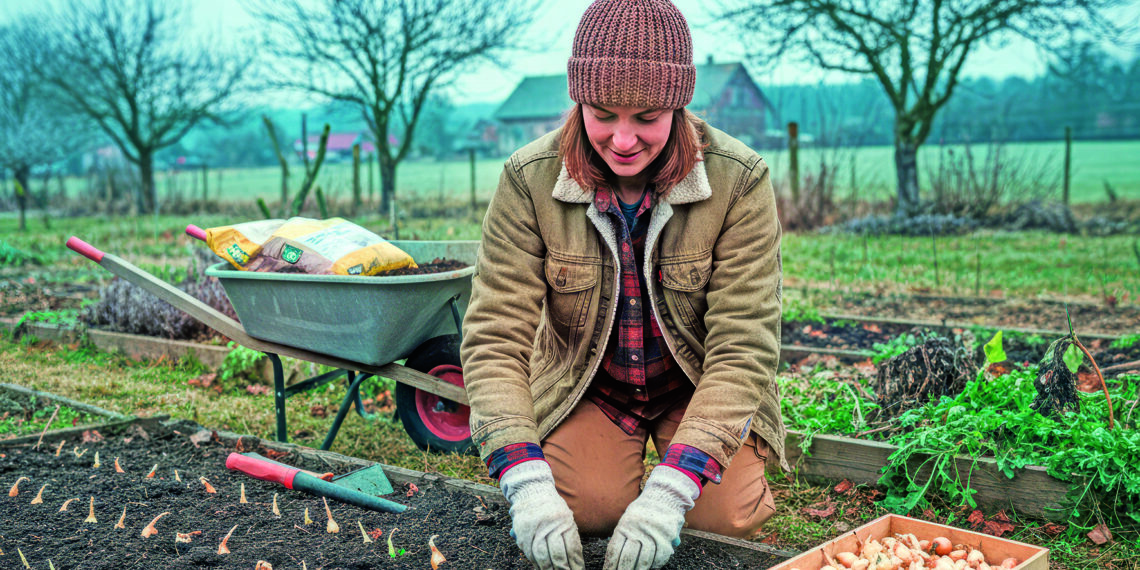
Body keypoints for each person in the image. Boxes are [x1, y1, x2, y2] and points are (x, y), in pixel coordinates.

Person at [460, 1, 787, 568]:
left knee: (724, 521)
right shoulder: (527, 180)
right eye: (603, 113)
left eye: (647, 116)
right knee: (586, 509)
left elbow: (744, 345)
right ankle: (608, 472)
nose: (624, 138)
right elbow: (494, 337)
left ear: (679, 105)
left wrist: (670, 492)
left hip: (696, 385)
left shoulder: (740, 181)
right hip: (595, 387)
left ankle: (668, 474)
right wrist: (526, 481)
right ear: (578, 100)